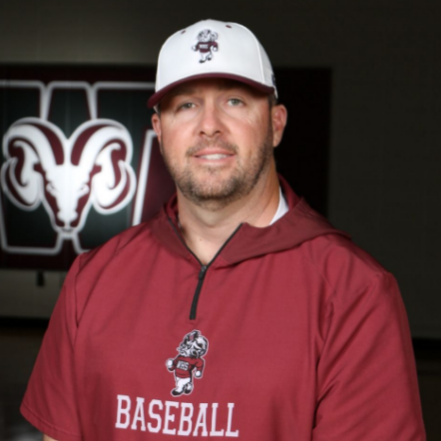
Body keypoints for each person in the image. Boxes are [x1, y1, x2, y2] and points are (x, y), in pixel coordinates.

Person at [21, 19, 426, 441]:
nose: (209, 125)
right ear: (159, 131)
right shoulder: (92, 280)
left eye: (234, 101)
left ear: (276, 124)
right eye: (186, 105)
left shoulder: (354, 292)